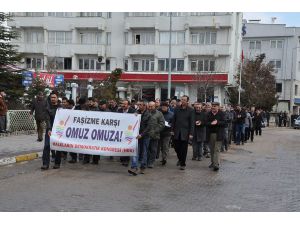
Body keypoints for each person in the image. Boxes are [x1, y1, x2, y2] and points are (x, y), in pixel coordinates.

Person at [128, 100, 151, 175]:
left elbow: (148, 127)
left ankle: (143, 167)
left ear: (144, 106)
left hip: (145, 136)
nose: (139, 106)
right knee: (134, 151)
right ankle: (134, 167)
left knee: (144, 151)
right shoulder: (136, 113)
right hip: (136, 136)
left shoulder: (148, 114)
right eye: (138, 105)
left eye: (140, 105)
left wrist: (142, 134)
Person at [172, 95, 194, 170]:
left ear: (187, 101)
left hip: (185, 132)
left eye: (184, 100)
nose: (183, 101)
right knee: (176, 147)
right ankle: (180, 159)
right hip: (176, 131)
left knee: (184, 149)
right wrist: (172, 130)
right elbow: (173, 120)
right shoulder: (176, 109)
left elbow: (192, 122)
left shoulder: (191, 110)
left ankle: (183, 164)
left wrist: (191, 133)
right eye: (182, 99)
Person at [41, 91, 62, 170]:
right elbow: (47, 119)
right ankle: (45, 164)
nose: (52, 99)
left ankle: (57, 163)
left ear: (57, 98)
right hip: (49, 130)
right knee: (47, 146)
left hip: (59, 130)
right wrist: (49, 129)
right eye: (51, 97)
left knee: (58, 147)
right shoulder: (47, 107)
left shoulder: (61, 108)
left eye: (54, 97)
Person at [145, 101, 165, 168]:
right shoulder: (145, 113)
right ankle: (146, 161)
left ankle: (151, 162)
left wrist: (155, 131)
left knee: (153, 149)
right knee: (146, 149)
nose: (150, 108)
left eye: (151, 106)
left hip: (155, 135)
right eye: (149, 106)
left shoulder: (159, 114)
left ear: (155, 106)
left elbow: (162, 124)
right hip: (146, 134)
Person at [206, 102, 225, 171]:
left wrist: (217, 122)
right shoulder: (208, 114)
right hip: (211, 134)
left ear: (218, 107)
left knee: (217, 149)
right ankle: (213, 162)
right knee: (212, 150)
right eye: (212, 106)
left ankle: (216, 165)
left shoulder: (221, 114)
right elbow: (206, 123)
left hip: (219, 134)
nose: (213, 107)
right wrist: (211, 123)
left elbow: (224, 123)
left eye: (215, 106)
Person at [118, 100, 136, 166]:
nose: (123, 105)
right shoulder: (119, 110)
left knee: (127, 144)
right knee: (121, 144)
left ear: (128, 105)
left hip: (129, 131)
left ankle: (126, 160)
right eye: (122, 104)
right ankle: (122, 159)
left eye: (125, 104)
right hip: (121, 130)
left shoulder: (133, 111)